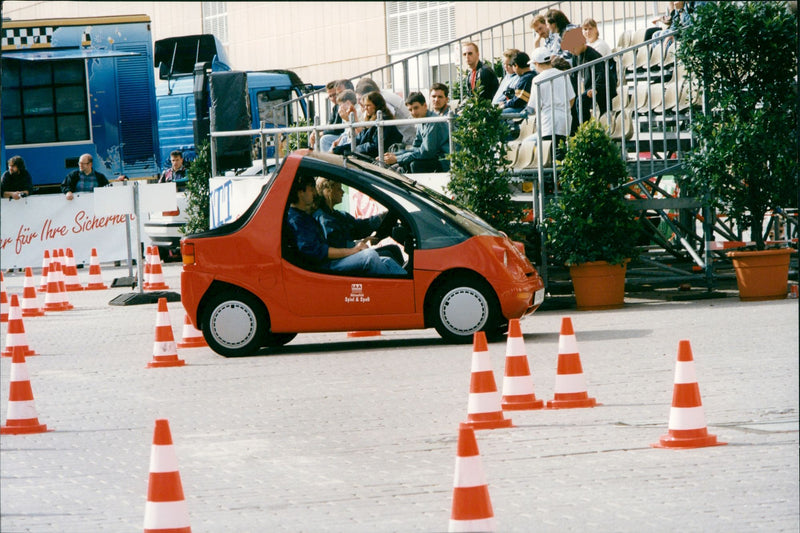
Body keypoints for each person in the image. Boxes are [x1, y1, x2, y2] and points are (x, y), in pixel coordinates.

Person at [284, 174, 406, 276]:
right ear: (301, 192)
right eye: (311, 189)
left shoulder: (308, 216)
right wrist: (355, 248)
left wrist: (379, 220)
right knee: (370, 256)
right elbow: (320, 251)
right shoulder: (299, 220)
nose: (314, 193)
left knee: (387, 260)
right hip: (326, 266)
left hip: (330, 260)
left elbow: (358, 227)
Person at [313, 177, 405, 267]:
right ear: (329, 191)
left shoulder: (338, 215)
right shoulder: (324, 219)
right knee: (384, 255)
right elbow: (337, 247)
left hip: (349, 253)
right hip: (337, 261)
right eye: (339, 189)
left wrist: (380, 218)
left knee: (393, 249)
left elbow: (358, 227)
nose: (342, 192)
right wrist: (361, 243)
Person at [523, 47, 575, 158]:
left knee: (549, 154)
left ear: (537, 63)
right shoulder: (563, 75)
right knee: (561, 152)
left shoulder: (537, 80)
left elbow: (533, 105)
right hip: (564, 119)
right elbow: (571, 98)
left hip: (547, 122)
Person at [561, 27, 617, 124]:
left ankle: (586, 128)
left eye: (572, 48)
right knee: (574, 101)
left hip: (602, 87)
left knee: (581, 101)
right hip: (590, 87)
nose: (571, 52)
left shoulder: (592, 55)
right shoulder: (575, 56)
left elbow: (601, 75)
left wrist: (595, 88)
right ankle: (576, 129)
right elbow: (574, 76)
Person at [383, 92, 449, 173]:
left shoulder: (433, 121)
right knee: (396, 165)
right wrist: (395, 155)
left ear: (425, 106)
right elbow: (416, 148)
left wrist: (397, 158)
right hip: (434, 157)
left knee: (413, 164)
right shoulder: (421, 120)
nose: (413, 112)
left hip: (444, 161)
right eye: (410, 110)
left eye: (416, 108)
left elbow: (427, 152)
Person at [334, 91, 402, 158]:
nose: (365, 108)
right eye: (365, 105)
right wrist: (340, 149)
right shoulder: (369, 121)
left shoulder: (384, 121)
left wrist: (352, 151)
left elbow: (375, 147)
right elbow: (358, 140)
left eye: (368, 105)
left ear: (377, 105)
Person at [354, 78, 415, 145]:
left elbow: (388, 125)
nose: (358, 102)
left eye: (360, 99)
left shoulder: (383, 101)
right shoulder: (379, 98)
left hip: (406, 137)